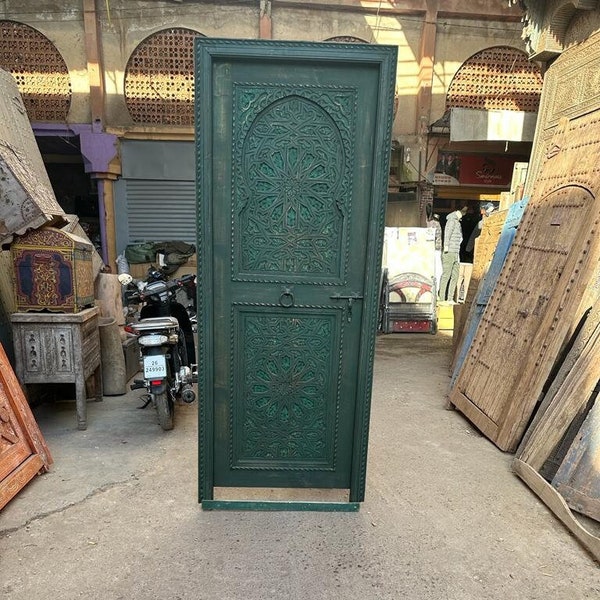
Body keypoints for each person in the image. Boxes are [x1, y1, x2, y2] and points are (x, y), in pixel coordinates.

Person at [439, 205, 468, 303]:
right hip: (450, 252)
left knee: (455, 275)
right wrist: (446, 246)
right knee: (446, 275)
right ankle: (442, 298)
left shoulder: (457, 222)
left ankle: (450, 298)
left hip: (456, 252)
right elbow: (447, 234)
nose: (462, 215)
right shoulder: (451, 221)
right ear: (457, 212)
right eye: (461, 213)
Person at [425, 204, 443, 295]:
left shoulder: (427, 222)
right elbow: (437, 236)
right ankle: (435, 292)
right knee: (437, 271)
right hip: (435, 249)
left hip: (430, 249)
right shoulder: (436, 223)